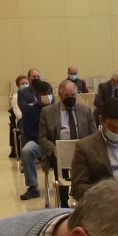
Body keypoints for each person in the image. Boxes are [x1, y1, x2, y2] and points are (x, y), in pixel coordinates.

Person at [37, 79, 90, 207]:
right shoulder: (48, 112)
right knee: (61, 161)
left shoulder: (86, 110)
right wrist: (54, 149)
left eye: (73, 95)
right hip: (59, 151)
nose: (70, 98)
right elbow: (43, 138)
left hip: (82, 148)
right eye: (67, 96)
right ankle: (64, 201)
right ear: (60, 95)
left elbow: (93, 134)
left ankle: (85, 200)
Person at [18, 80, 53, 200]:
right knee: (27, 150)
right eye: (44, 94)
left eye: (49, 93)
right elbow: (27, 131)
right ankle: (32, 187)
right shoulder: (30, 111)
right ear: (37, 95)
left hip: (56, 143)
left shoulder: (57, 109)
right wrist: (43, 141)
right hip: (39, 143)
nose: (47, 96)